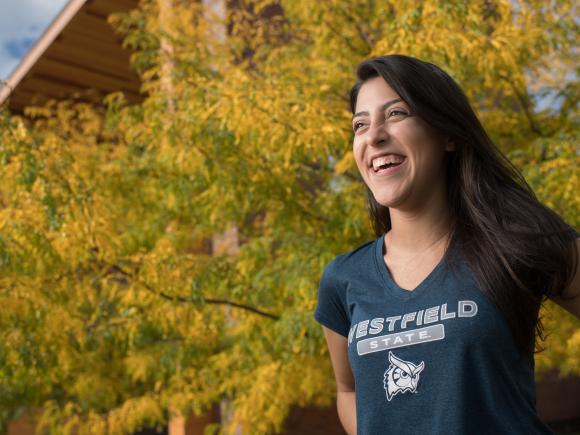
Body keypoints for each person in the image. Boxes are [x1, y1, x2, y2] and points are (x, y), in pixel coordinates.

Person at [313, 54, 580, 435]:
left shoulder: (512, 241)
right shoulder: (344, 278)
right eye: (360, 124)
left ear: (448, 134)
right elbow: (349, 390)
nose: (373, 136)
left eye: (397, 114)